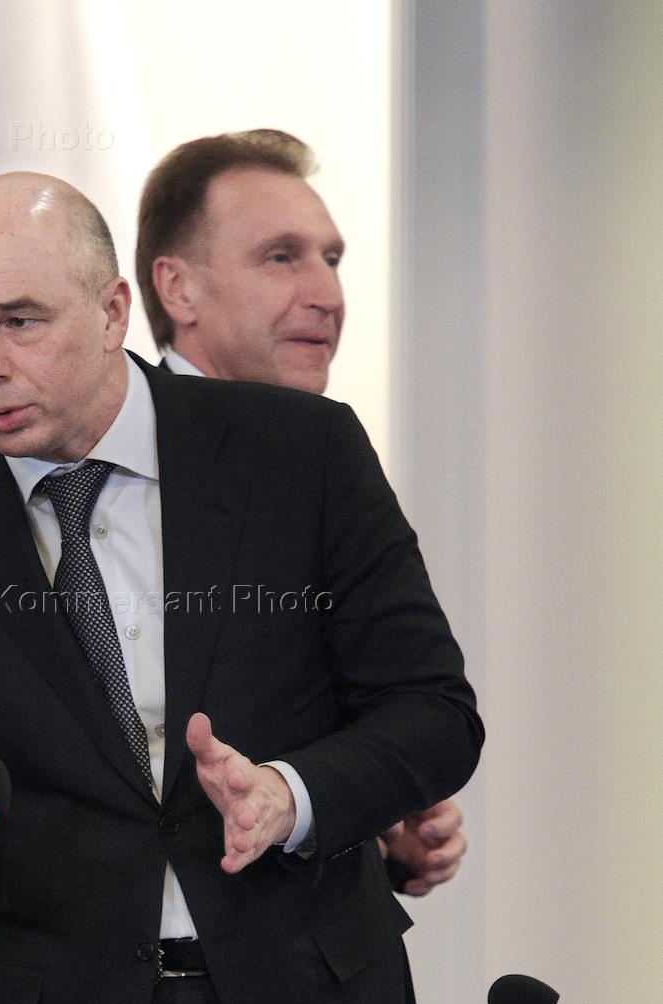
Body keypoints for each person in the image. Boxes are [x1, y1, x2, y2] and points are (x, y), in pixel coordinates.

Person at [0, 171, 483, 1004]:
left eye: (20, 321)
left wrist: (291, 794)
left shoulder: (301, 454)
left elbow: (433, 713)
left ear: (113, 310)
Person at [137, 129, 467, 898]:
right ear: (177, 289)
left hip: (305, 960)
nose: (326, 294)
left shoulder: (324, 454)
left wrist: (362, 819)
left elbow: (426, 710)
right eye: (281, 257)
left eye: (331, 258)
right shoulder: (86, 462)